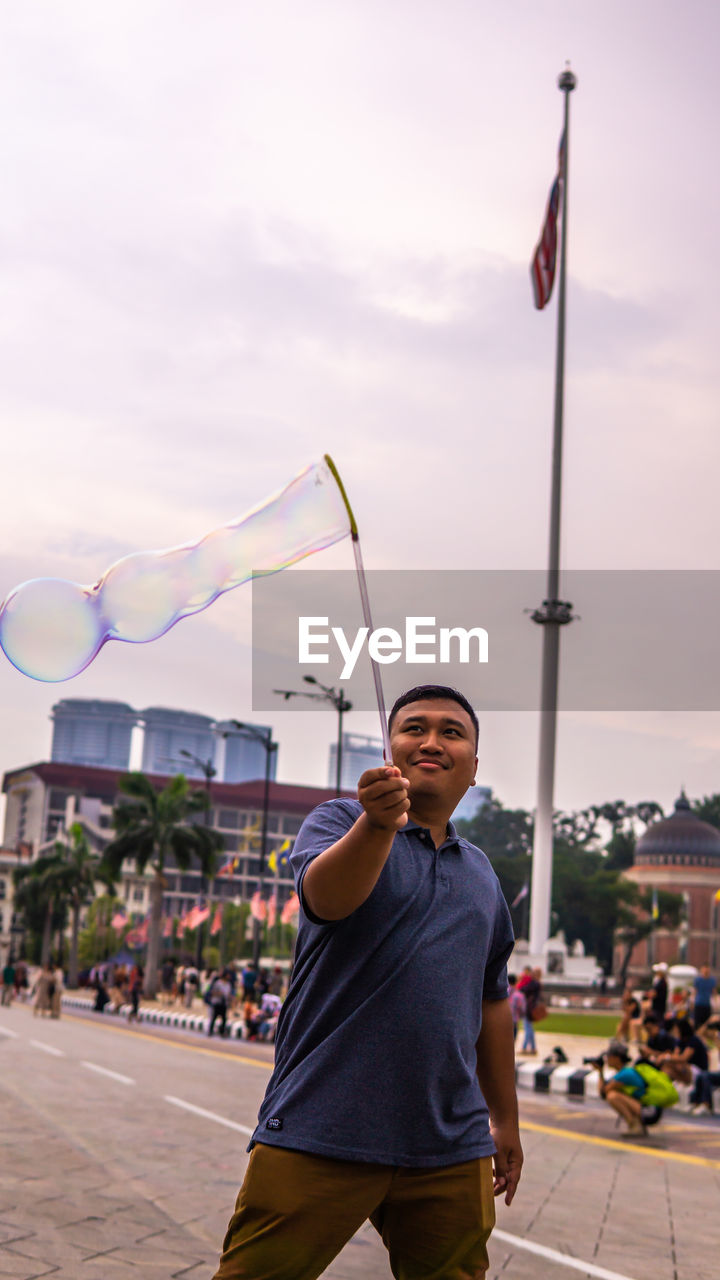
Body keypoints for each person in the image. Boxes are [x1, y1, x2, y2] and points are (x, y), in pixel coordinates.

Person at [212, 685, 522, 1280]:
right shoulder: (339, 821)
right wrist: (378, 826)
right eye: (414, 728)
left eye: (451, 732)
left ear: (474, 767)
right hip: (322, 1125)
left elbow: (492, 1002)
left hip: (449, 1143)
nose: (431, 741)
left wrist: (505, 1121)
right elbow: (325, 899)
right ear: (390, 749)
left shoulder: (481, 873)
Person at [519, 967, 543, 1055]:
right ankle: (533, 1048)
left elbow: (523, 989)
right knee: (530, 1028)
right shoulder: (537, 983)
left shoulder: (534, 983)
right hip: (532, 1007)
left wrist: (522, 980)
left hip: (529, 1007)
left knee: (527, 1027)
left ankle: (524, 1047)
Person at [692, 965, 717, 1031]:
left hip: (707, 1004)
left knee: (707, 1025)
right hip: (699, 1004)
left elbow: (714, 992)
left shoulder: (712, 980)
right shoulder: (698, 980)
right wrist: (692, 1002)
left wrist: (716, 1003)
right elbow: (695, 991)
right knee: (697, 1023)